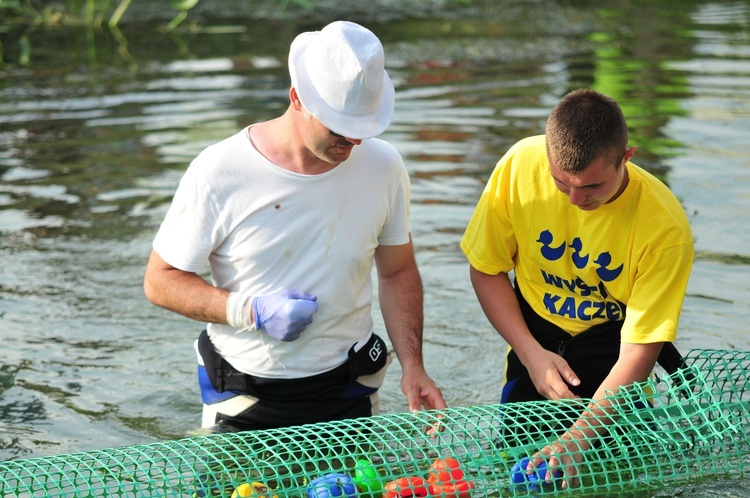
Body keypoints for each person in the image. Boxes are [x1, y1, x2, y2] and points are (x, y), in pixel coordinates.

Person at [143, 20, 446, 432]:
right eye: (341, 127)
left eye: (363, 128)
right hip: (244, 396)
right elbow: (159, 281)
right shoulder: (220, 171)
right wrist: (249, 310)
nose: (354, 142)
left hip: (351, 389)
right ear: (297, 99)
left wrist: (414, 365)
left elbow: (398, 270)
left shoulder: (384, 165)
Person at [460, 89, 694, 487]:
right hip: (534, 333)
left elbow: (641, 347)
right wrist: (531, 354)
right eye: (560, 182)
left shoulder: (665, 227)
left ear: (626, 157)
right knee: (516, 471)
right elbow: (486, 270)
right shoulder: (519, 166)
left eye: (592, 187)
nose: (574, 199)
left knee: (622, 478)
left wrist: (578, 438)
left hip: (613, 347)